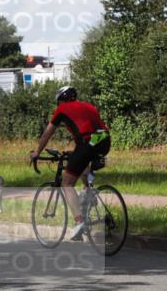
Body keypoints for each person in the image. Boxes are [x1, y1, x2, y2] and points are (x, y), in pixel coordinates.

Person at [29, 86, 110, 240]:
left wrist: (37, 152)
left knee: (67, 183)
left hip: (87, 143)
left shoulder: (62, 109)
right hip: (104, 140)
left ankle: (79, 222)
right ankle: (88, 192)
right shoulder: (89, 106)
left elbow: (47, 133)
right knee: (82, 162)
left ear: (60, 101)